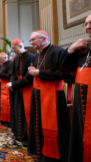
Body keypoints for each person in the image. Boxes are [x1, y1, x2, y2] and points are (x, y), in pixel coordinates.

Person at [27, 30, 70, 162]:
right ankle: (42, 154)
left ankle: (55, 157)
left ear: (44, 38)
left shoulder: (58, 51)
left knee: (56, 127)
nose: (31, 42)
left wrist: (39, 73)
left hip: (54, 96)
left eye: (33, 39)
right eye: (30, 40)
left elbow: (63, 75)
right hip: (38, 94)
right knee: (39, 124)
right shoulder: (37, 54)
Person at [59, 14, 91, 162]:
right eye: (85, 24)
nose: (88, 27)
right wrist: (71, 49)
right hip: (81, 100)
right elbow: (64, 68)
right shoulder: (83, 47)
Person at [6, 39, 35, 146]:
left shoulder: (30, 56)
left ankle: (26, 136)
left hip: (27, 88)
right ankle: (18, 134)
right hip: (18, 88)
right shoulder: (17, 58)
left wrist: (14, 84)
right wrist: (12, 84)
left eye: (14, 47)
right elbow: (13, 73)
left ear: (20, 46)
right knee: (17, 110)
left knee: (25, 112)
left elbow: (29, 77)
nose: (12, 50)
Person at [0, 52, 12, 126]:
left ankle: (7, 120)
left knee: (6, 104)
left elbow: (9, 76)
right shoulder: (4, 64)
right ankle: (3, 119)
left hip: (6, 87)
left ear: (5, 58)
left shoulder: (10, 64)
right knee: (2, 103)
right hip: (2, 86)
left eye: (0, 59)